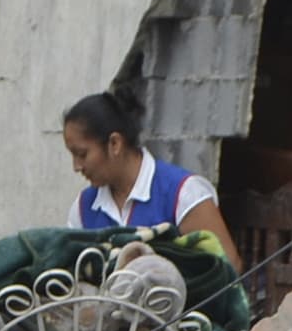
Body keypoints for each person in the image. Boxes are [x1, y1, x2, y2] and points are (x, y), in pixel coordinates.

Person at [59, 92, 231, 259]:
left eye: (82, 154)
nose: (76, 166)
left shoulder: (183, 194)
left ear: (115, 143)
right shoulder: (84, 207)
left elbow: (227, 270)